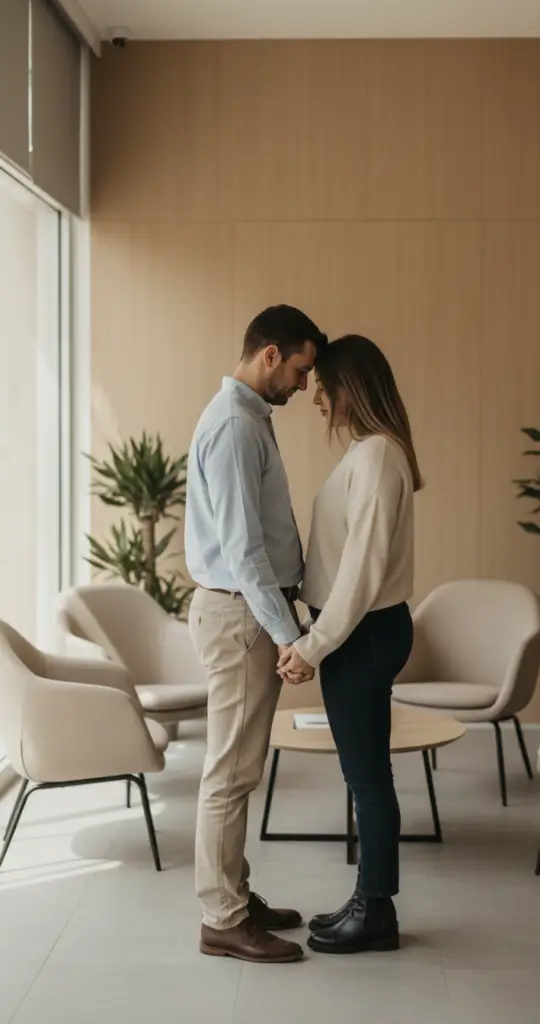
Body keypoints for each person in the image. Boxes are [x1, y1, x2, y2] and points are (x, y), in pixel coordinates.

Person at [186, 304, 327, 964]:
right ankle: (222, 918)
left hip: (243, 610)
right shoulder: (237, 427)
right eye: (300, 370)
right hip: (243, 614)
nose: (304, 386)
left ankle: (235, 894)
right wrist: (287, 636)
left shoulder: (244, 420)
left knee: (237, 767)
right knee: (231, 773)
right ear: (269, 354)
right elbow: (244, 553)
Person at [278, 335, 421, 955]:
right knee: (364, 774)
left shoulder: (378, 457)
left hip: (361, 633)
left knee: (367, 778)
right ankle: (369, 900)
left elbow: (360, 571)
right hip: (360, 631)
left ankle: (377, 913)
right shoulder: (373, 453)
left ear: (350, 388)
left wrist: (314, 644)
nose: (316, 398)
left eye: (323, 384)